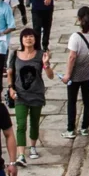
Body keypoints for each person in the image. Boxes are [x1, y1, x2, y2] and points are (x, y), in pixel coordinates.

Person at [8, 28, 53, 165]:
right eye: (26, 36)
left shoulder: (40, 55)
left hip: (36, 94)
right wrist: (10, 88)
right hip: (20, 95)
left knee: (34, 123)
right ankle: (21, 154)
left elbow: (50, 76)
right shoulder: (15, 54)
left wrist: (46, 64)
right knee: (21, 124)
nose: (28, 39)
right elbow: (10, 72)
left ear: (35, 39)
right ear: (21, 39)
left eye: (31, 36)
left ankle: (33, 147)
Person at [62, 7, 89, 140]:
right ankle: (85, 127)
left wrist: (67, 74)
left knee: (72, 101)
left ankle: (71, 129)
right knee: (87, 101)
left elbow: (72, 57)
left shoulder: (75, 37)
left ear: (79, 19)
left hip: (75, 74)